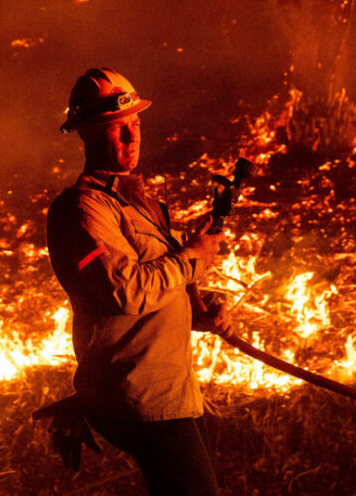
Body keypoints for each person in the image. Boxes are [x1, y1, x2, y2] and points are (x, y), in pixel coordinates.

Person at [37, 68, 232, 495]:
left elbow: (158, 290)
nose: (131, 137)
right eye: (115, 128)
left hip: (174, 389)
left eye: (135, 124)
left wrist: (201, 312)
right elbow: (126, 292)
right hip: (141, 398)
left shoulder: (141, 203)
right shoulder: (84, 211)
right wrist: (193, 257)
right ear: (85, 132)